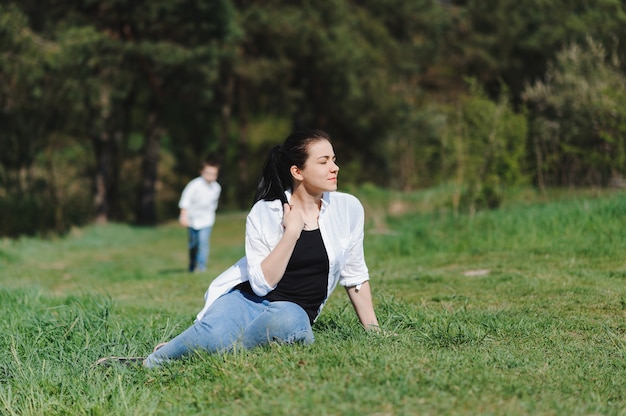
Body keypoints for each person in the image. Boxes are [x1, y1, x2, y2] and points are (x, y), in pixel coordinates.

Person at [97, 130, 379, 368]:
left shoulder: (348, 208)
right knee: (214, 334)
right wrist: (291, 233)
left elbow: (355, 276)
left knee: (288, 322)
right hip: (248, 300)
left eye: (334, 159)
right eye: (324, 161)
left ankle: (214, 349)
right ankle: (152, 362)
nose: (334, 167)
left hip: (293, 310)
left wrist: (375, 333)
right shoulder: (265, 213)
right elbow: (260, 283)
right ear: (297, 171)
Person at [178, 157, 222, 272]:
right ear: (202, 172)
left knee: (203, 242)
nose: (210, 176)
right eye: (208, 173)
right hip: (192, 219)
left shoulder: (216, 188)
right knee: (193, 244)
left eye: (213, 174)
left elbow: (213, 204)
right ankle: (192, 265)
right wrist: (183, 216)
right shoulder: (194, 185)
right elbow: (185, 201)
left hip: (207, 220)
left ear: (216, 175)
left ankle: (201, 267)